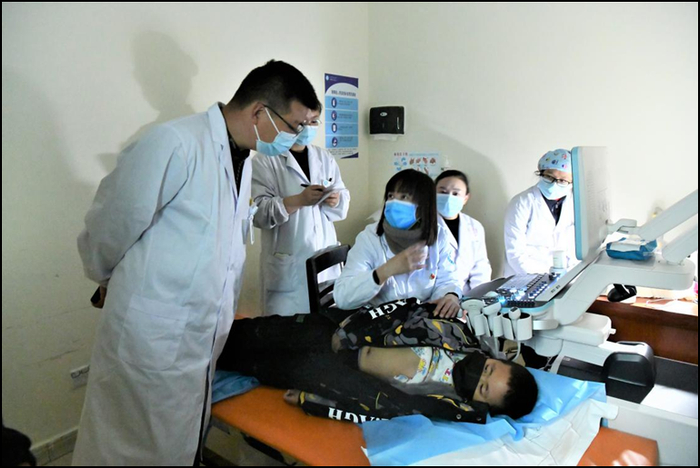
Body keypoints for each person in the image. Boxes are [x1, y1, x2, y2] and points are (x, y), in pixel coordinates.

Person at [73, 60, 320, 465]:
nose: (298, 137)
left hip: (197, 336)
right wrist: (104, 279)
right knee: (126, 447)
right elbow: (110, 225)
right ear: (259, 112)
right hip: (152, 337)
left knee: (176, 442)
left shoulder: (242, 158)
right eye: (295, 126)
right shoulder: (175, 143)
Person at [216, 298, 538, 423]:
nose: (478, 374)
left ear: (481, 405)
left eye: (482, 388)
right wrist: (348, 330)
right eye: (488, 369)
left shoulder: (439, 405)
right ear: (491, 358)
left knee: (244, 363)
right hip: (330, 332)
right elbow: (403, 307)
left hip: (323, 373)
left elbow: (373, 410)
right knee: (240, 335)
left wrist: (312, 401)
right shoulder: (452, 332)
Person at [252, 102, 350, 316]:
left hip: (324, 260)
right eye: (302, 122)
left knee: (324, 324)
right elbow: (258, 214)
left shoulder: (324, 157)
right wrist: (297, 200)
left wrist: (336, 200)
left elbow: (342, 195)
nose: (308, 127)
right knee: (287, 329)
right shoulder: (265, 161)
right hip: (287, 267)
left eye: (313, 122)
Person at [334, 170, 463, 318]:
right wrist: (385, 271)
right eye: (390, 196)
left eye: (404, 197)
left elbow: (448, 279)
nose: (394, 203)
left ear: (423, 204)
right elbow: (342, 298)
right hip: (380, 321)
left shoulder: (439, 236)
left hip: (422, 319)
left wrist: (450, 295)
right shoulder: (369, 238)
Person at [503, 149, 578, 277]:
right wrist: (542, 279)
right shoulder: (521, 203)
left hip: (566, 276)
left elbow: (577, 247)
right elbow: (515, 253)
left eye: (563, 181)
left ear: (572, 182)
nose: (554, 184)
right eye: (549, 177)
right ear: (541, 173)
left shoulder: (576, 203)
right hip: (525, 276)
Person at [435, 170, 492, 294]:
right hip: (432, 297)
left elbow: (480, 267)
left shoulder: (475, 227)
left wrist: (478, 297)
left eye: (456, 193)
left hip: (466, 295)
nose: (449, 197)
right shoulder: (422, 224)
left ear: (466, 198)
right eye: (443, 192)